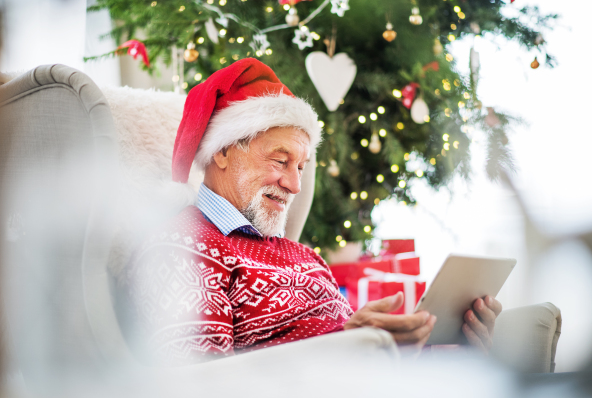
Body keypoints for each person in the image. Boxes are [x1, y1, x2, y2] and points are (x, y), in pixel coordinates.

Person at [122, 58, 502, 365]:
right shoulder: (181, 247)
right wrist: (347, 346)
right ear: (222, 151)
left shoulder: (303, 256)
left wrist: (451, 346)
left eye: (300, 167)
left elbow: (360, 349)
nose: (295, 185)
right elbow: (199, 383)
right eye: (280, 160)